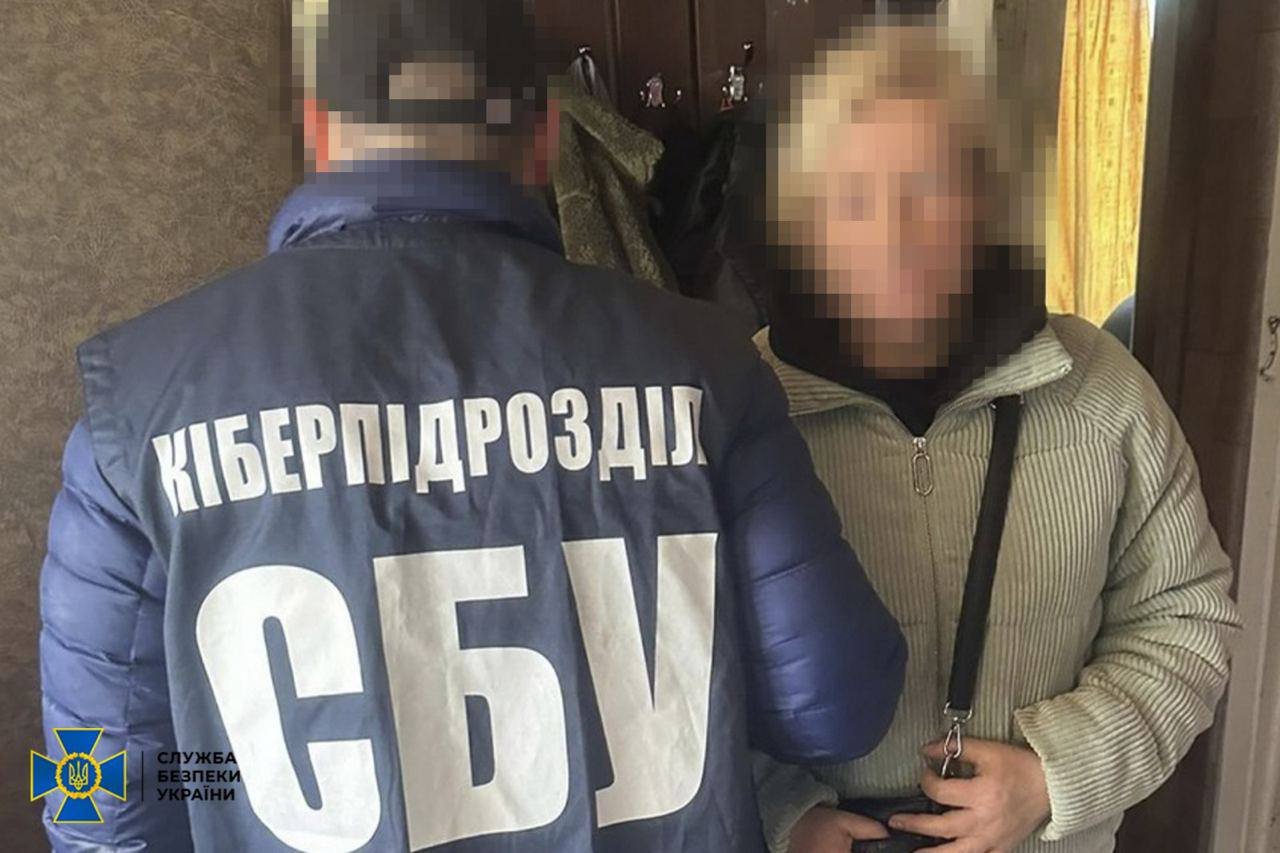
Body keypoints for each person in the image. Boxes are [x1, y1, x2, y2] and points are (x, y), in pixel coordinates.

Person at [37, 2, 907, 851]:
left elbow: (95, 806)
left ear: (321, 129)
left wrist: (226, 774)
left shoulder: (137, 410)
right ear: (542, 138)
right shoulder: (703, 363)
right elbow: (836, 707)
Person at [753, 21, 1241, 853]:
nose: (896, 233)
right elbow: (681, 659)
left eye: (931, 185)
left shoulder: (1102, 392)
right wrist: (781, 814)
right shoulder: (740, 405)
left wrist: (1054, 773)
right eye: (853, 195)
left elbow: (1186, 618)